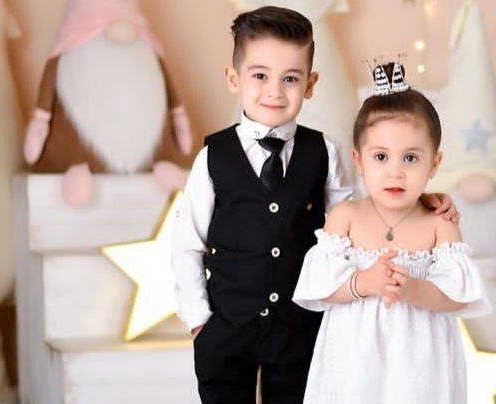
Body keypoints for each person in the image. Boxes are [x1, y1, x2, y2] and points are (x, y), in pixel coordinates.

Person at [171, 6, 458, 404]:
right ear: (234, 79)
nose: (275, 91)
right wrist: (199, 322)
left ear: (310, 84)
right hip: (226, 329)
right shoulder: (213, 157)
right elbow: (188, 244)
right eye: (260, 76)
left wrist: (418, 202)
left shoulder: (324, 151)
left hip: (300, 330)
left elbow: (358, 223)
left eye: (290, 78)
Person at [292, 60, 492, 404]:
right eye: (381, 157)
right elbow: (320, 288)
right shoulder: (346, 217)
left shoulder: (439, 223)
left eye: (410, 158)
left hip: (419, 363)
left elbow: (458, 296)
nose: (395, 172)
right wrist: (364, 283)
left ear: (434, 164)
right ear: (359, 160)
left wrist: (413, 289)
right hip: (354, 362)